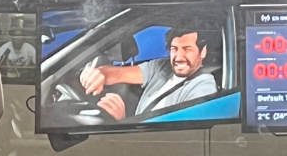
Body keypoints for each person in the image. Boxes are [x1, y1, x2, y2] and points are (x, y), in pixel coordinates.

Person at [79, 22, 217, 121]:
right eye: (174, 49)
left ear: (202, 52)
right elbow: (119, 74)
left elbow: (174, 137)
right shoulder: (161, 67)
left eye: (187, 49)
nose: (179, 57)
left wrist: (122, 122)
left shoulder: (204, 86)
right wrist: (98, 74)